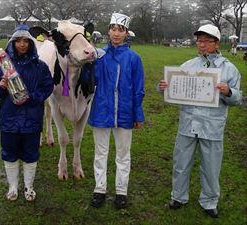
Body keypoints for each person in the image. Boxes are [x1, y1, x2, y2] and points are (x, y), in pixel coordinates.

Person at [158, 24, 242, 218]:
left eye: (206, 41)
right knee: (181, 162)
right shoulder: (188, 66)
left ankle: (209, 201)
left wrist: (228, 92)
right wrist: (164, 86)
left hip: (212, 126)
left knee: (211, 166)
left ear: (216, 43)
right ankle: (178, 197)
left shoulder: (229, 69)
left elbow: (238, 98)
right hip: (188, 123)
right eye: (200, 41)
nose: (202, 45)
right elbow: (172, 87)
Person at [0, 24, 54, 202]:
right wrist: (1, 86)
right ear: (12, 42)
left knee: (31, 153)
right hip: (9, 119)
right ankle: (13, 186)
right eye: (18, 41)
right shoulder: (2, 66)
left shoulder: (40, 67)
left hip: (31, 118)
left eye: (26, 41)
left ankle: (29, 186)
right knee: (9, 153)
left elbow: (48, 86)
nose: (22, 44)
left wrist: (32, 98)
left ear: (31, 43)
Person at [89, 13, 145, 209]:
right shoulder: (99, 55)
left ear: (126, 33)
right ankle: (100, 189)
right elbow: (90, 80)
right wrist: (88, 62)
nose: (116, 33)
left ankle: (121, 191)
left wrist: (138, 114)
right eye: (113, 29)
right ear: (108, 31)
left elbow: (139, 89)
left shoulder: (134, 58)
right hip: (101, 111)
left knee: (123, 154)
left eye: (120, 30)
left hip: (125, 113)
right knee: (100, 152)